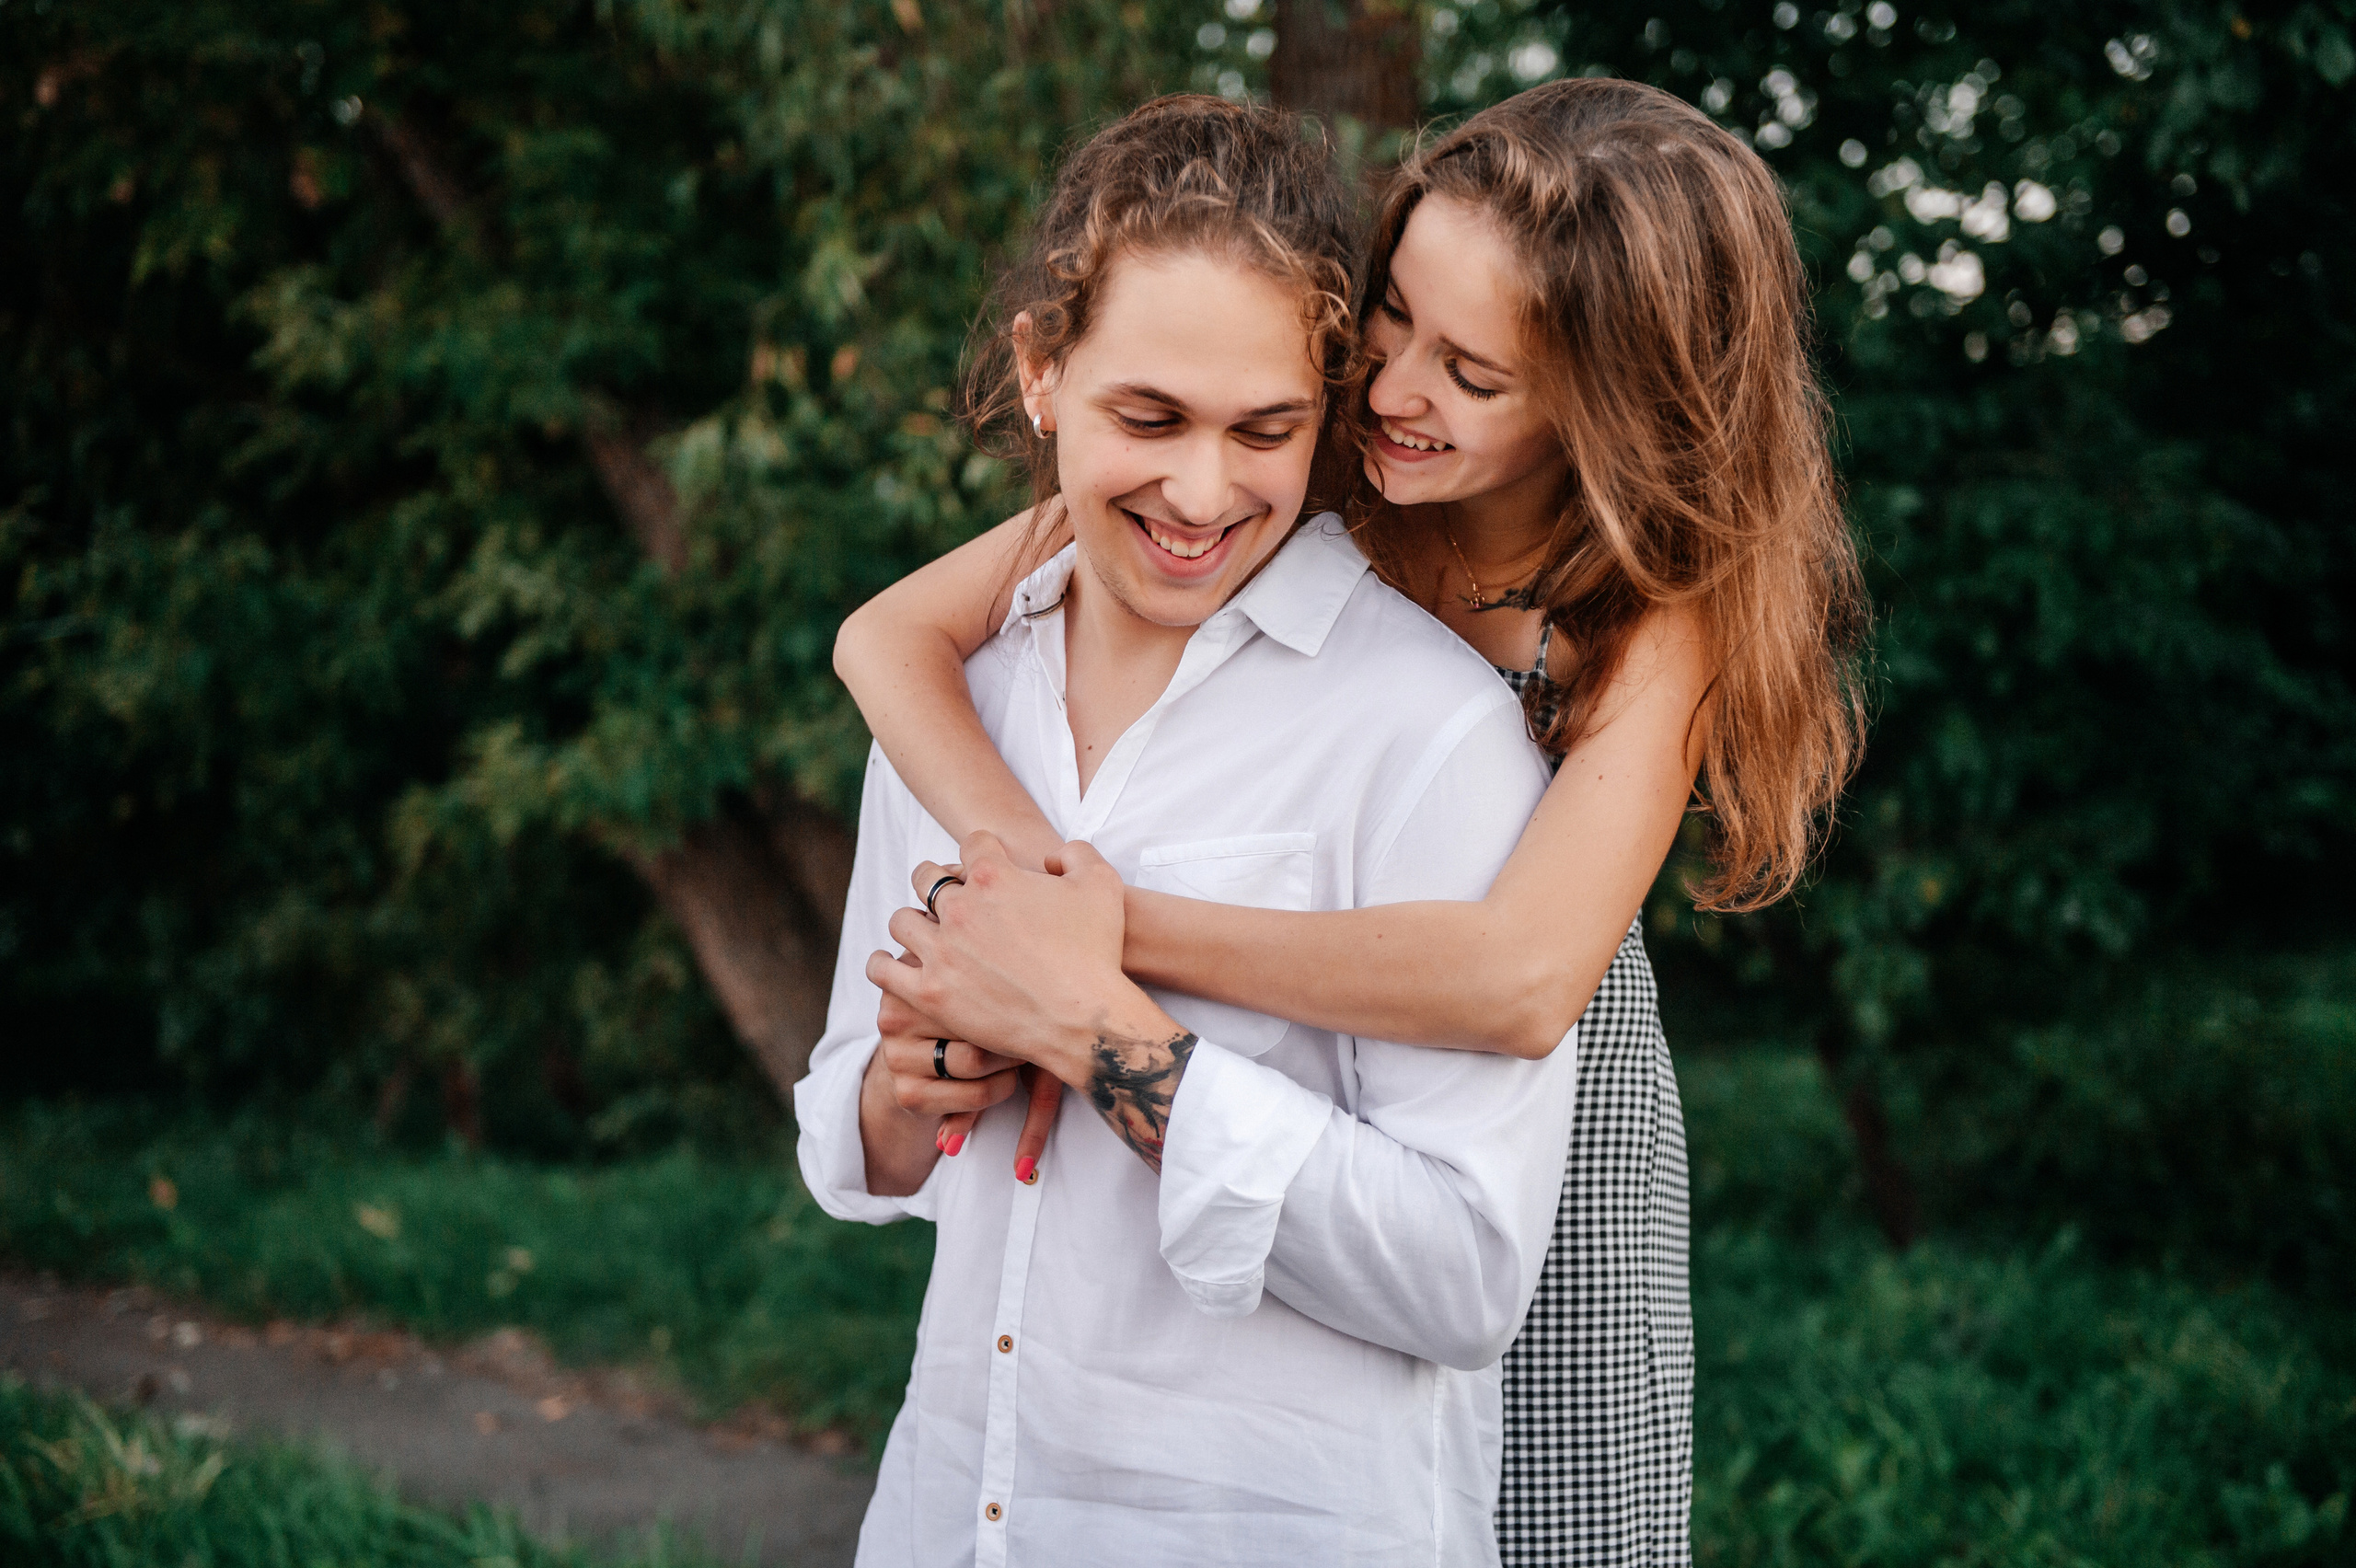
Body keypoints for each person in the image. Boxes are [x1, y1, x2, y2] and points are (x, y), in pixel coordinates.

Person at [835, 78, 1868, 1566]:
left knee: (1559, 1517)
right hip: (1277, 1049)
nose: (1393, 388)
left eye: (1472, 371)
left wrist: (1097, 936)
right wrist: (1030, 881)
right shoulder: (1281, 464)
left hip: (1536, 1102)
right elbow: (885, 641)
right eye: (1390, 317)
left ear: (1606, 403)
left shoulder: (1648, 608)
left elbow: (1519, 985)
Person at [797, 94, 1585, 1566]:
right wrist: (905, 1094)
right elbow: (856, 1117)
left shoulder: (1426, 732)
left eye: (1266, 431)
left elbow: (1464, 1273)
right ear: (1042, 373)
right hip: (960, 1508)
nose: (1203, 492)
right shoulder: (956, 709)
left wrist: (1104, 1035)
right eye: (1147, 419)